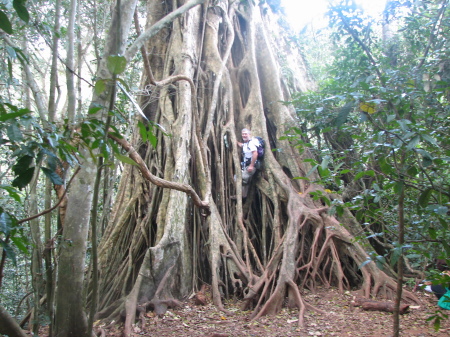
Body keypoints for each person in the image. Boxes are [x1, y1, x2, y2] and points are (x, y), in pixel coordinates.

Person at [237, 128, 260, 198]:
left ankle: (240, 195)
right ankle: (244, 195)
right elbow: (241, 145)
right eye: (243, 134)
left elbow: (255, 153)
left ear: (249, 134)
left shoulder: (251, 143)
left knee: (239, 178)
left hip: (251, 166)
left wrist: (251, 165)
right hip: (246, 166)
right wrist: (235, 141)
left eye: (245, 134)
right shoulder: (246, 144)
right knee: (245, 180)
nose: (244, 135)